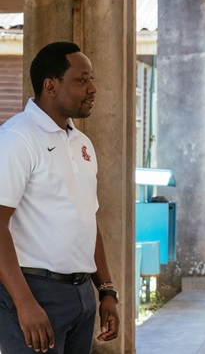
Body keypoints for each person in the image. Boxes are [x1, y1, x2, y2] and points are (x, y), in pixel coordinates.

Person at [0, 42, 120, 353]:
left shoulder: (82, 142)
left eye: (91, 79)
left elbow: (86, 220)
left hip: (81, 295)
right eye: (82, 80)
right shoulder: (17, 139)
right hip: (34, 293)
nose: (92, 88)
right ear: (51, 86)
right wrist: (25, 303)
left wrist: (105, 291)